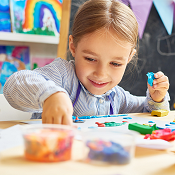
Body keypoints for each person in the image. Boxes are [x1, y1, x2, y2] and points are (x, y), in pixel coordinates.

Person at [3, 0, 170, 125]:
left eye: (115, 64)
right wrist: (50, 95)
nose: (101, 73)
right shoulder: (62, 75)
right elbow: (14, 85)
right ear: (73, 46)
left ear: (129, 58)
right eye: (90, 59)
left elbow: (149, 113)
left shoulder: (116, 97)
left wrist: (156, 99)